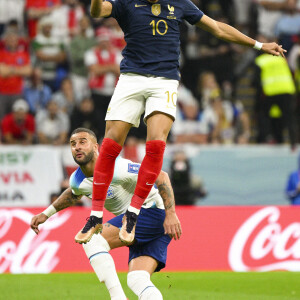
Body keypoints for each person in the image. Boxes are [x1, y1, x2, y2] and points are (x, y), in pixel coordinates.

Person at [75, 0, 287, 245]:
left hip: (164, 81)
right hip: (131, 78)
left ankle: (133, 213)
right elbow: (98, 11)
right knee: (110, 146)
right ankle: (95, 215)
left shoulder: (179, 4)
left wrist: (259, 44)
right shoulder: (126, 3)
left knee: (156, 145)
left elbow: (217, 27)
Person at [30, 128, 181, 300]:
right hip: (139, 223)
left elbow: (160, 176)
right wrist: (46, 214)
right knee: (137, 279)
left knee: (93, 239)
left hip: (151, 211)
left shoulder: (118, 167)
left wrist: (171, 213)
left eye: (82, 142)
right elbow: (73, 193)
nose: (77, 147)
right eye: (73, 144)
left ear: (96, 147)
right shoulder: (78, 180)